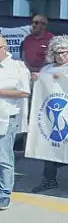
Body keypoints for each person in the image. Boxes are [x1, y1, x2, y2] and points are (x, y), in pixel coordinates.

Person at [30, 35, 68, 196]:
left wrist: (67, 80)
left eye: (64, 52)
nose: (61, 55)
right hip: (49, 113)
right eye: (57, 52)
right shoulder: (46, 69)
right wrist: (35, 80)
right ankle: (49, 179)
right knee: (48, 146)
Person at [0, 35, 31, 210]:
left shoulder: (17, 67)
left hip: (6, 116)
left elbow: (24, 92)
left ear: (4, 48)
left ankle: (4, 194)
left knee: (3, 157)